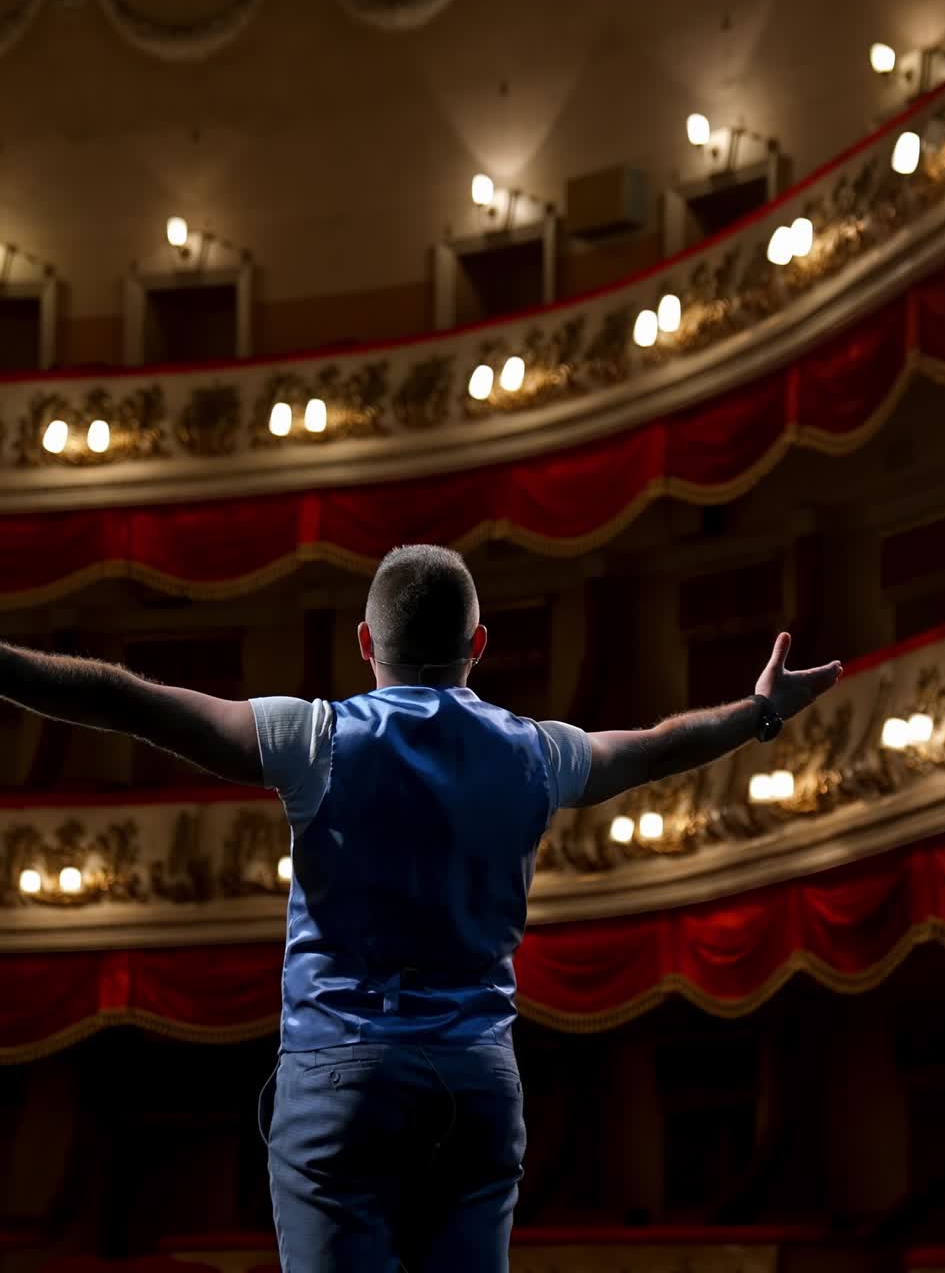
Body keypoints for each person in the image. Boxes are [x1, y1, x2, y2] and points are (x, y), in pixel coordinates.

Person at [0, 543, 843, 1271]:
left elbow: (129, 702)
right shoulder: (538, 752)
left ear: (366, 642)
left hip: (342, 1080)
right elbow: (658, 748)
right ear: (478, 645)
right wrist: (760, 713)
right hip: (478, 1082)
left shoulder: (316, 737)